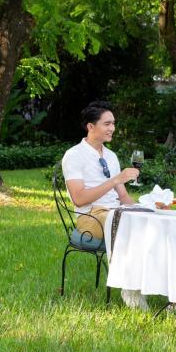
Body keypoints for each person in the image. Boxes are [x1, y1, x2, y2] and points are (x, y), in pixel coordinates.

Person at [61, 101, 147, 309]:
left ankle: (173, 299)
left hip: (116, 211)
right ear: (91, 126)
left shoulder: (111, 156)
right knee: (127, 225)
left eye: (113, 123)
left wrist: (146, 210)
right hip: (90, 216)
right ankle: (131, 291)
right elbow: (79, 198)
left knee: (155, 224)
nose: (112, 128)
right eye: (107, 124)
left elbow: (123, 197)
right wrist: (115, 179)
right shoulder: (74, 155)